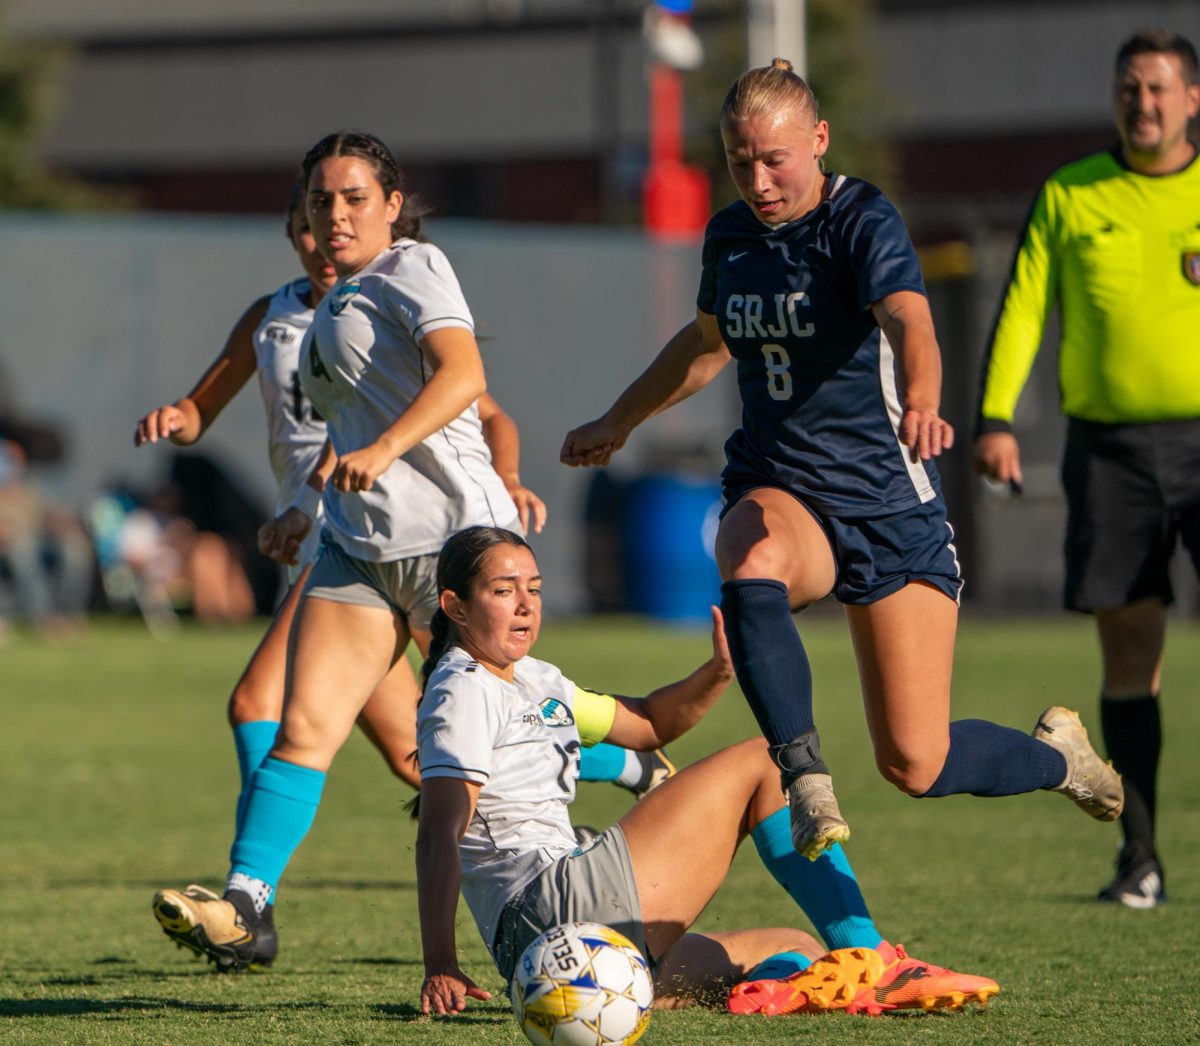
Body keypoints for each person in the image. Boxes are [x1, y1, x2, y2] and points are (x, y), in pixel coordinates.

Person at [561, 58, 1123, 864]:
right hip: (784, 488)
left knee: (915, 762)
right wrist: (619, 420)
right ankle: (804, 775)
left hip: (889, 507)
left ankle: (1058, 759)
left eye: (774, 158)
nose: (757, 179)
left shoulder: (862, 218)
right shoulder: (731, 236)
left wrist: (924, 399)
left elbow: (908, 318)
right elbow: (708, 343)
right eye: (739, 160)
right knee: (750, 557)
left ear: (818, 141)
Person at [148, 132, 662, 972]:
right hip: (358, 548)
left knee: (498, 740)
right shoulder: (322, 309)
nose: (336, 214)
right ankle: (248, 903)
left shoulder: (413, 268)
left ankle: (639, 786)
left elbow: (462, 379)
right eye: (321, 200)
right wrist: (302, 505)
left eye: (355, 197)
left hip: (453, 547)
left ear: (392, 204)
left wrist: (387, 452)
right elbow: (340, 431)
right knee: (299, 725)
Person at [415, 525, 1000, 1018]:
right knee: (764, 760)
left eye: (535, 589)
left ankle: (766, 994)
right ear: (455, 606)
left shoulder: (538, 680)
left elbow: (647, 723)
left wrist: (720, 670)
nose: (525, 604)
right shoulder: (462, 688)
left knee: (796, 950)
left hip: (565, 953)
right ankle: (885, 963)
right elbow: (440, 829)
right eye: (502, 590)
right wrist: (440, 961)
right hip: (552, 907)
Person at [975, 30, 1200, 910]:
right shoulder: (1070, 193)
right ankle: (1139, 859)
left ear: (1191, 99)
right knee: (1129, 653)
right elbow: (1026, 305)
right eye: (1128, 89)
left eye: (1157, 88)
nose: (1142, 103)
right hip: (1109, 452)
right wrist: (995, 417)